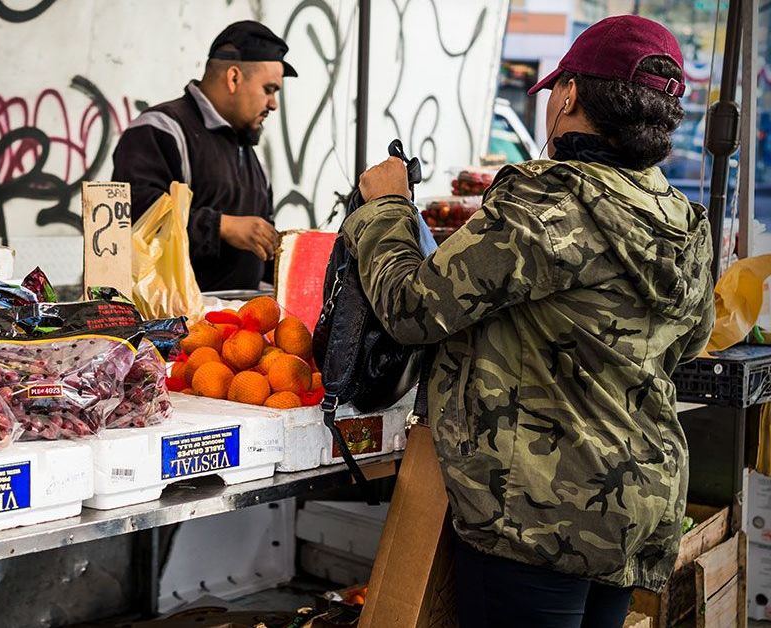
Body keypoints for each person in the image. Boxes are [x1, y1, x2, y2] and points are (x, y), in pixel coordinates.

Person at [349, 15, 714, 628]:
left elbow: (413, 308)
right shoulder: (684, 222)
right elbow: (690, 342)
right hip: (636, 502)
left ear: (569, 94)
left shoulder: (548, 204)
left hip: (539, 513)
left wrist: (387, 207)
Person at [112, 21, 295, 292]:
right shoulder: (161, 129)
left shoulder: (251, 153)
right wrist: (221, 226)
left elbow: (260, 247)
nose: (273, 104)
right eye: (269, 89)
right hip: (172, 325)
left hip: (241, 325)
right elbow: (133, 215)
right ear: (233, 78)